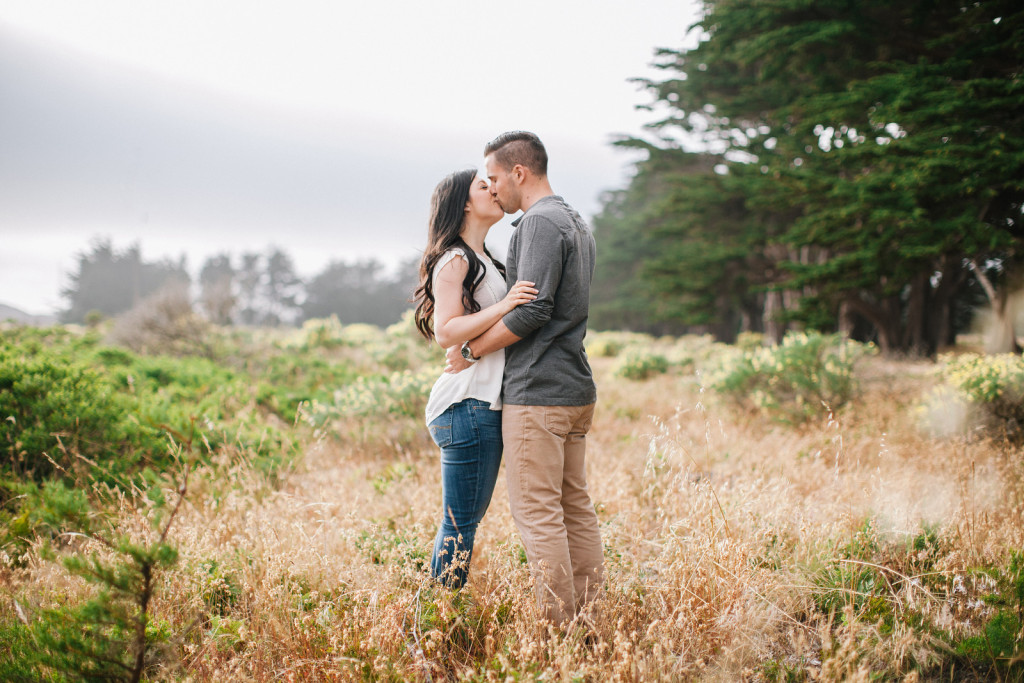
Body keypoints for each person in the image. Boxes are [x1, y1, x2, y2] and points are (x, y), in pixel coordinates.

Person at [445, 131, 603, 627]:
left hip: (538, 394)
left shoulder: (535, 223)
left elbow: (534, 309)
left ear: (519, 173)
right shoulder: (577, 221)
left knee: (538, 515)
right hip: (576, 389)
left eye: (494, 179)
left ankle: (558, 633)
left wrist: (472, 349)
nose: (493, 190)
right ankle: (592, 622)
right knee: (575, 508)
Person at [413, 168, 538, 588]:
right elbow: (446, 330)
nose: (494, 190)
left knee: (462, 523)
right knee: (460, 524)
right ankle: (433, 624)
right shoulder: (455, 258)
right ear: (465, 204)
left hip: (478, 404)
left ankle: (436, 618)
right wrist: (506, 307)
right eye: (483, 186)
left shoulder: (484, 258)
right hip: (466, 406)